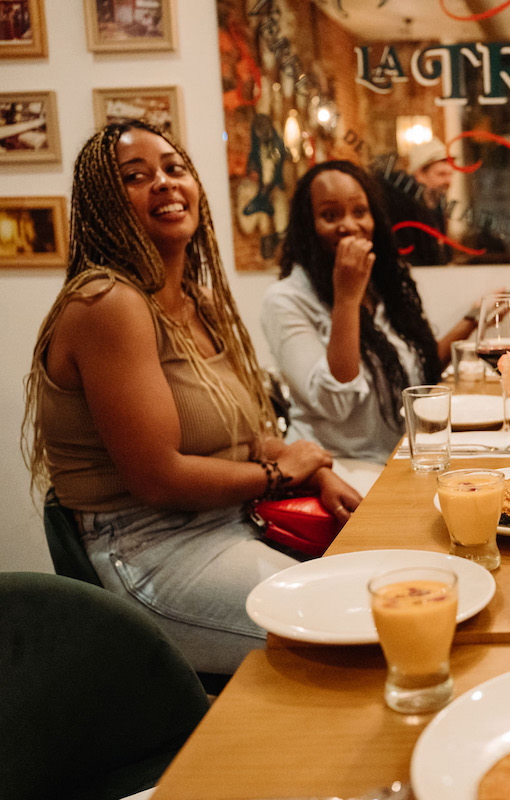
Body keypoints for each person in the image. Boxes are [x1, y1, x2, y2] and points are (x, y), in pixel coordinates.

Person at [21, 121, 361, 676]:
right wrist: (281, 476)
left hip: (233, 519)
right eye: (136, 177)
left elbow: (247, 435)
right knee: (350, 630)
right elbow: (159, 478)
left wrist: (315, 469)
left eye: (174, 169)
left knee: (394, 576)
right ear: (105, 204)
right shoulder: (106, 303)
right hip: (151, 549)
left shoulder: (197, 300)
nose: (163, 183)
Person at [263, 160, 478, 464]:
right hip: (341, 468)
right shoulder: (285, 300)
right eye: (329, 215)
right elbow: (336, 403)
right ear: (306, 226)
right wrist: (347, 299)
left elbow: (422, 370)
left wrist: (474, 317)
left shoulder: (382, 284)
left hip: (400, 457)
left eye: (359, 212)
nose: (349, 225)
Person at [373, 138, 453, 265]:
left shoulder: (435, 205)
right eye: (441, 174)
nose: (448, 182)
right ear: (419, 174)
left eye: (450, 175)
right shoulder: (399, 206)